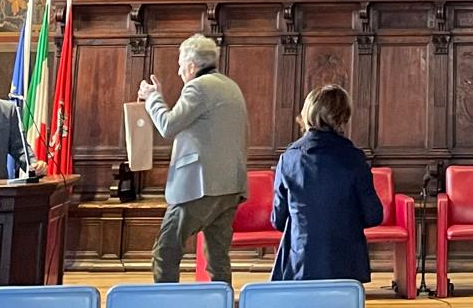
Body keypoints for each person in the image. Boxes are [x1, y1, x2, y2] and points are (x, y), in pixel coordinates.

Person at [140, 33, 249, 285]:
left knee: (166, 251)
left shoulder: (198, 87)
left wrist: (152, 97)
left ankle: (167, 301)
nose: (179, 71)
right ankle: (221, 300)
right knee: (217, 258)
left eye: (180, 65)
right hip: (230, 186)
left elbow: (168, 126)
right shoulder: (230, 86)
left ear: (191, 65)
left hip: (200, 188)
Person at [270, 84, 384, 282]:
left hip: (300, 264)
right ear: (343, 117)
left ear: (307, 113)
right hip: (346, 266)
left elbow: (277, 220)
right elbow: (373, 216)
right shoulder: (354, 158)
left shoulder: (288, 159)